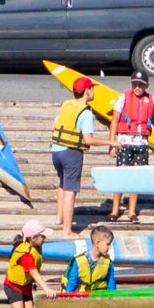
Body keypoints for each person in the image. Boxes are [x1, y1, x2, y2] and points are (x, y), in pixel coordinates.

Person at [50, 77, 110, 236]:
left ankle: (59, 218)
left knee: (62, 183)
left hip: (56, 150)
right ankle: (67, 230)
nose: (93, 91)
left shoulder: (67, 104)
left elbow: (53, 126)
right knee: (71, 190)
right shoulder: (85, 112)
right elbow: (89, 139)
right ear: (87, 91)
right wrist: (111, 142)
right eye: (92, 88)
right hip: (71, 153)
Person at [3, 219, 57, 308]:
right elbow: (33, 272)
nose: (44, 239)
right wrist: (46, 289)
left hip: (25, 285)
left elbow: (32, 273)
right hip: (13, 286)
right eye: (42, 236)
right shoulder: (25, 253)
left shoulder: (35, 249)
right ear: (33, 238)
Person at [108, 72, 154, 224]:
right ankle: (115, 210)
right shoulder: (123, 97)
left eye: (141, 84)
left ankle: (132, 211)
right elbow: (114, 120)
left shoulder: (151, 99)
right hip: (125, 142)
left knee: (136, 178)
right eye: (135, 84)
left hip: (141, 143)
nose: (137, 87)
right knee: (121, 175)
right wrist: (112, 143)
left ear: (146, 86)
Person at [63, 225, 117, 308]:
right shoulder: (79, 260)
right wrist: (66, 306)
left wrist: (116, 304)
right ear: (97, 243)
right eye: (108, 244)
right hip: (80, 297)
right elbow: (71, 284)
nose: (109, 247)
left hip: (96, 297)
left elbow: (111, 283)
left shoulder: (108, 262)